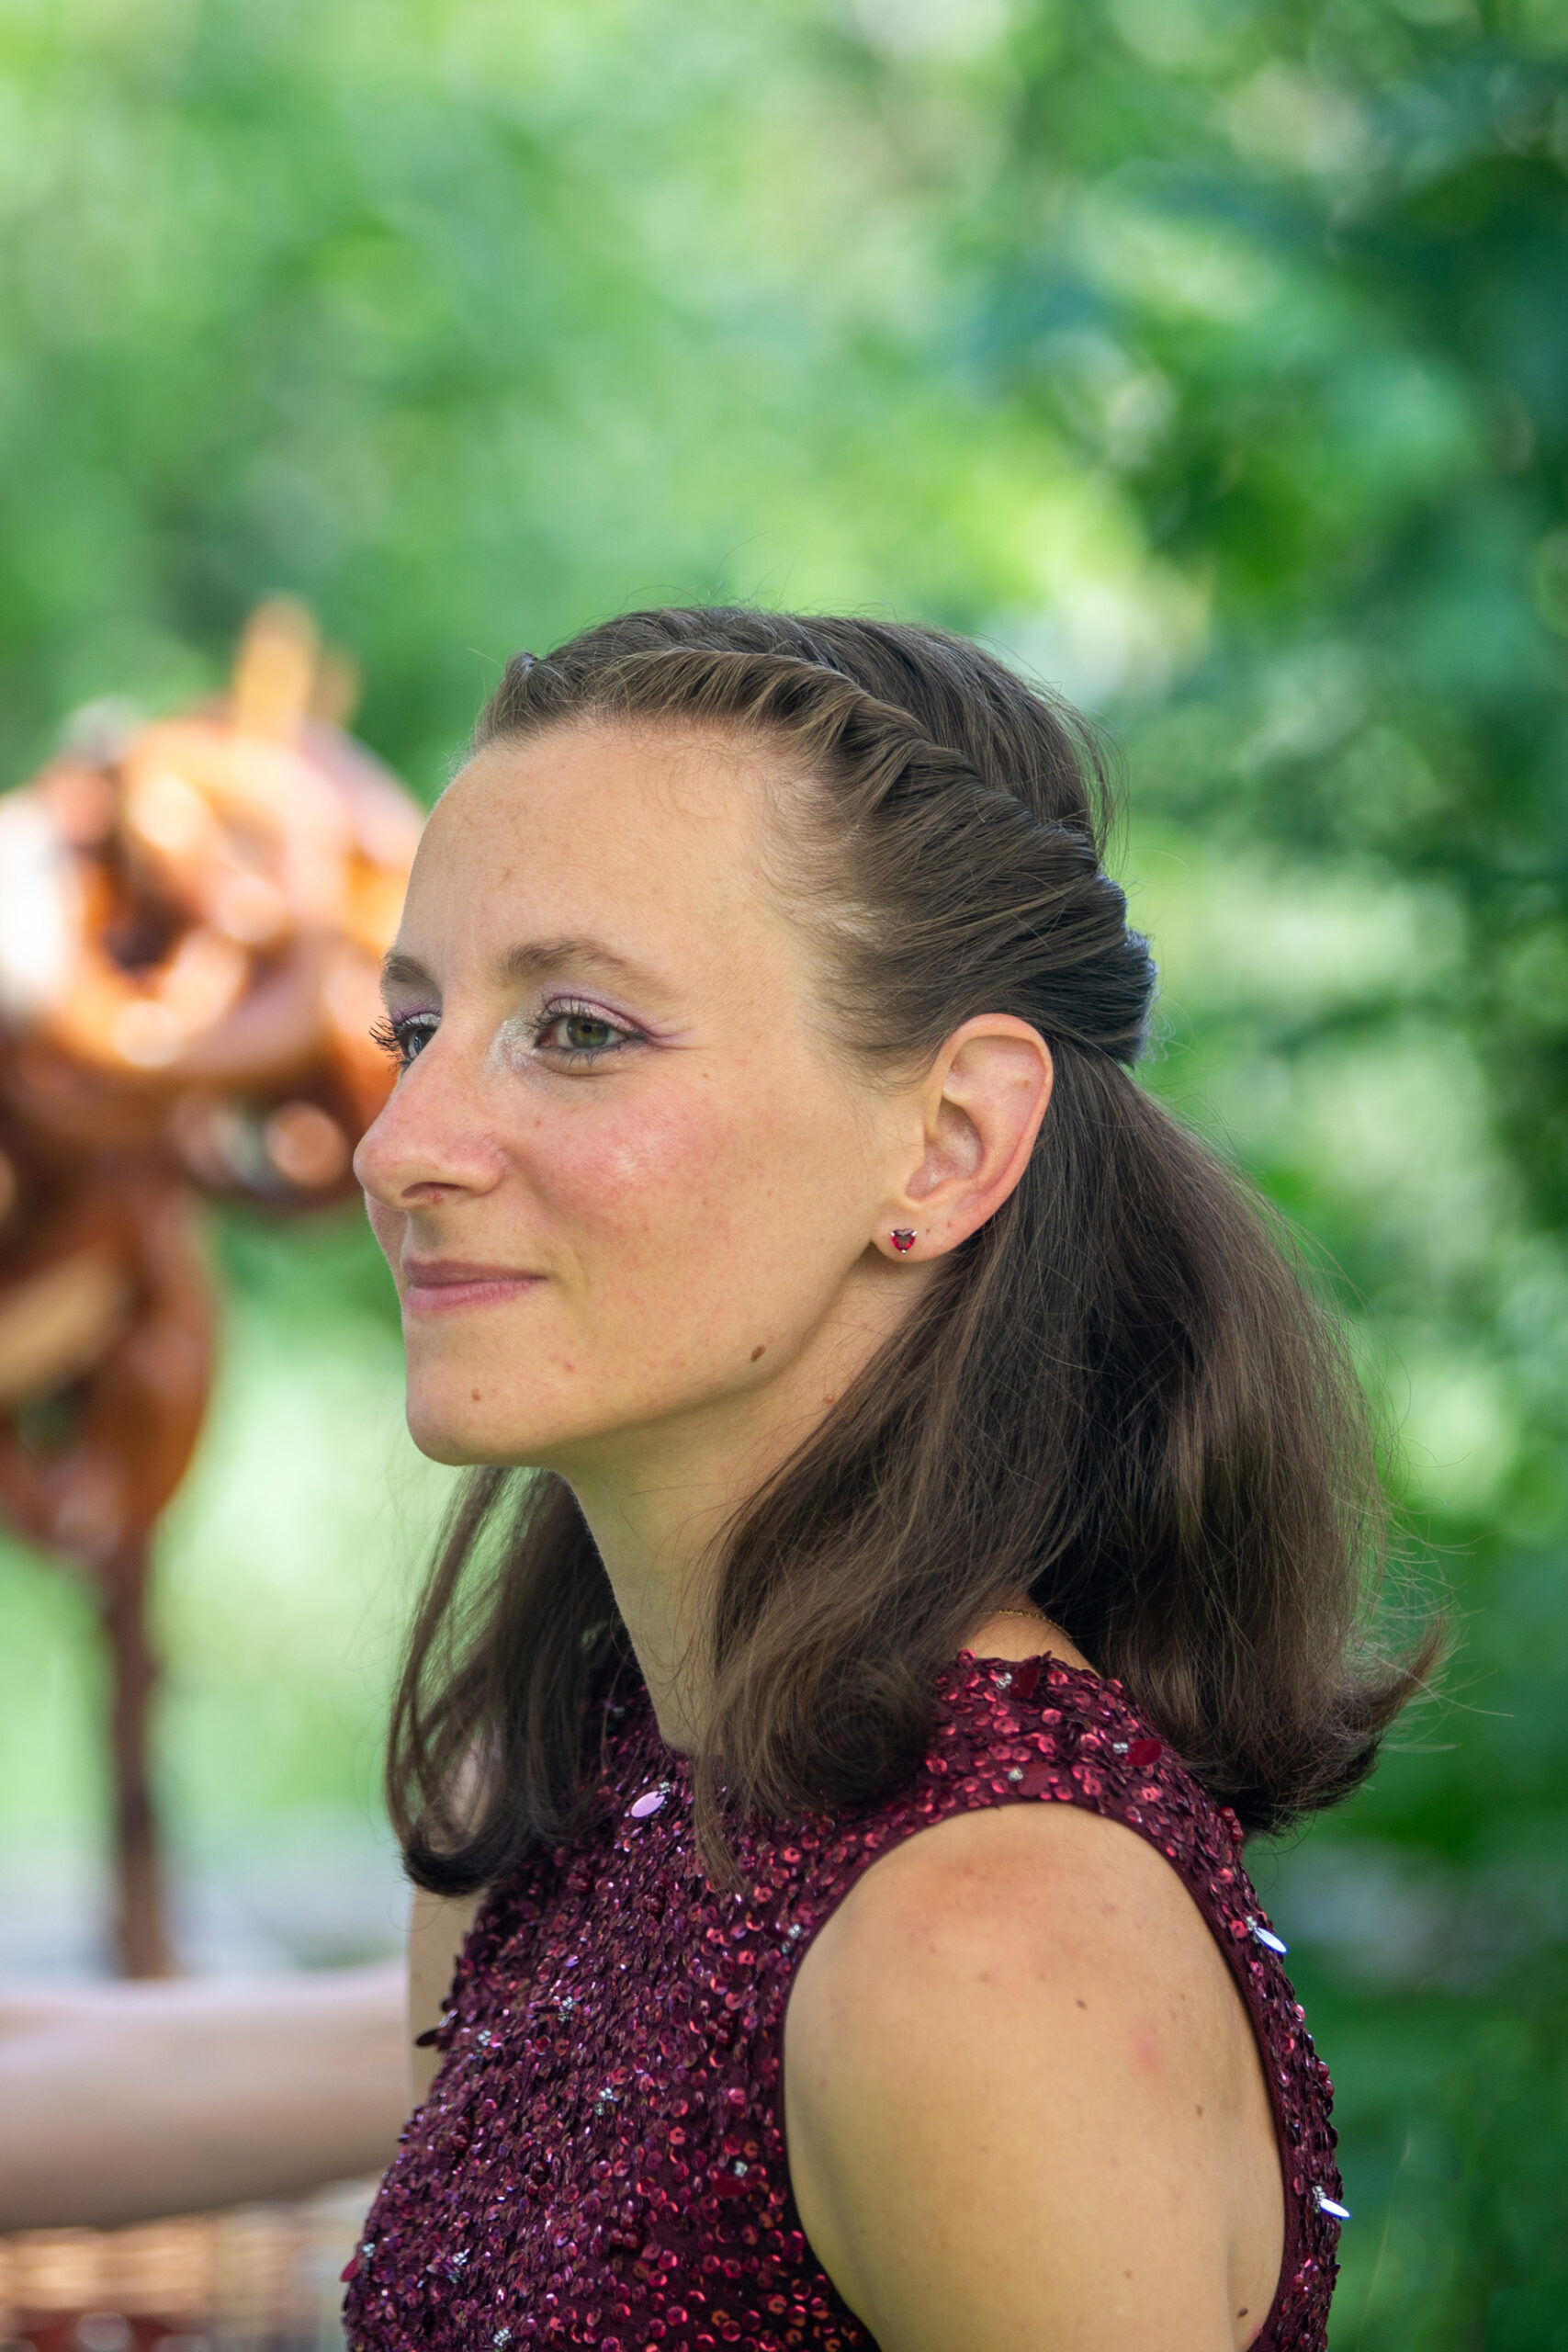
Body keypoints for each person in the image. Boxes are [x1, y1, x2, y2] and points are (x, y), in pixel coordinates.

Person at [336, 607, 1428, 2352]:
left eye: (580, 1030)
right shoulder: (563, 1796)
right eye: (415, 1028)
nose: (400, 1148)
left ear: (947, 1142)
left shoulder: (981, 1948)